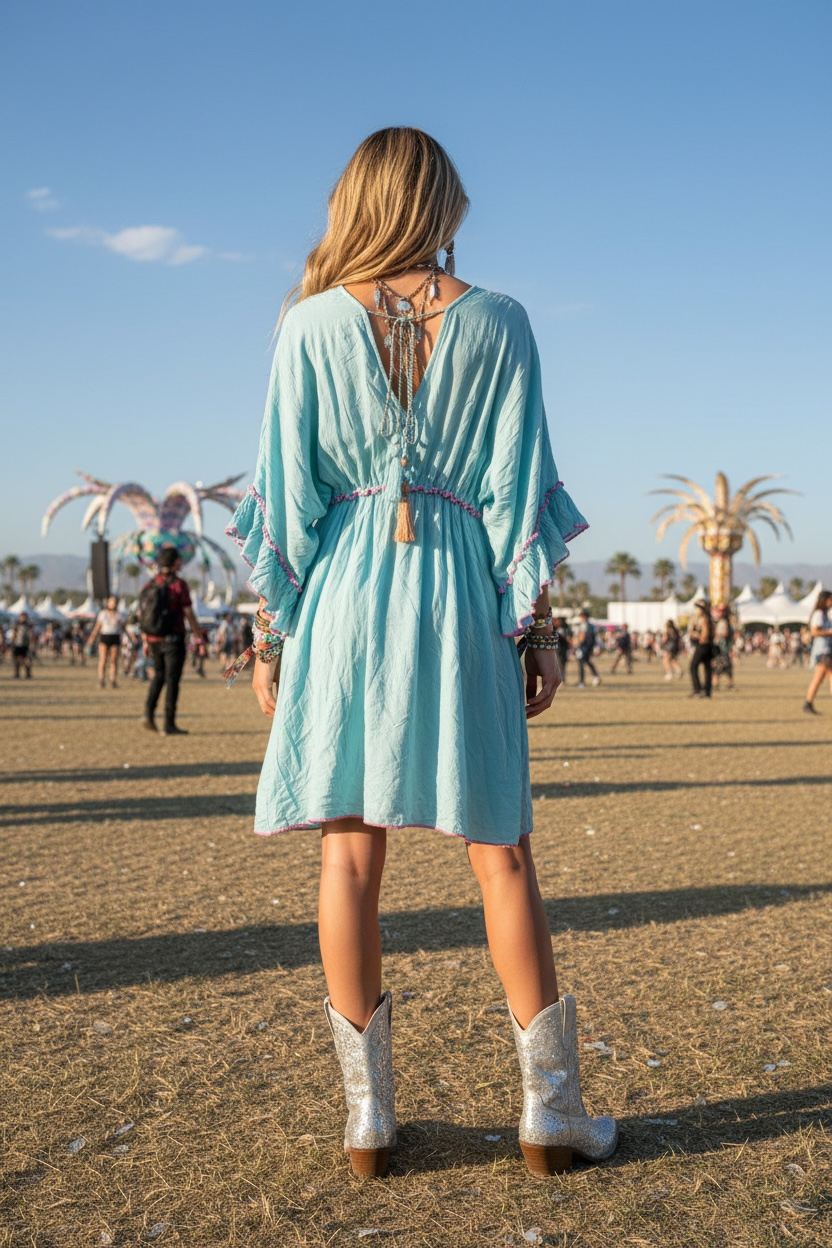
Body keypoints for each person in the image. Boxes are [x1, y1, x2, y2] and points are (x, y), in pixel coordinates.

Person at [227, 128, 616, 1179]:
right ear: (443, 203)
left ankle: (368, 1123)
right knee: (503, 852)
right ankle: (552, 1115)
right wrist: (534, 627)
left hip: (344, 595)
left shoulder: (307, 325)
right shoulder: (500, 322)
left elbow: (284, 496)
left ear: (354, 200)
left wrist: (271, 635)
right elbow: (514, 485)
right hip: (458, 589)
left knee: (348, 856)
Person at [139, 548, 208, 734]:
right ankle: (169, 723)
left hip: (153, 638)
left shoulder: (150, 584)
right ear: (176, 563)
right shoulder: (178, 585)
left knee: (158, 676)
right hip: (173, 639)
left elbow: (142, 614)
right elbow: (188, 612)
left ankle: (148, 713)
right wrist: (198, 636)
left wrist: (145, 639)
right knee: (172, 680)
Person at [802, 589, 832, 714]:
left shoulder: (824, 614)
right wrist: (829, 632)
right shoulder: (819, 614)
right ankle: (808, 703)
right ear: (824, 600)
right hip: (822, 650)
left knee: (821, 678)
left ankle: (808, 703)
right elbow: (814, 632)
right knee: (821, 677)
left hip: (826, 649)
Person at [87, 595, 124, 689]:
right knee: (103, 660)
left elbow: (124, 628)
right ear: (108, 603)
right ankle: (101, 680)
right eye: (111, 601)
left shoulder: (119, 615)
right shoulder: (103, 614)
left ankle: (113, 680)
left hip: (115, 637)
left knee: (114, 660)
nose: (113, 603)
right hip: (105, 637)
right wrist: (92, 638)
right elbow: (97, 627)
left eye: (115, 602)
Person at [688, 599, 714, 698]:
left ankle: (697, 689)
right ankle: (707, 691)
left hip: (703, 646)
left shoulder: (703, 619)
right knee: (707, 668)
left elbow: (704, 635)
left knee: (693, 666)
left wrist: (695, 634)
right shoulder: (707, 618)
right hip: (708, 646)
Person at [575, 608, 601, 688]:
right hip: (589, 647)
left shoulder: (584, 625)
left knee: (581, 664)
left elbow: (582, 637)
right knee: (588, 662)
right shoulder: (592, 626)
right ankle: (595, 676)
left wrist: (577, 644)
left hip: (583, 647)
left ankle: (581, 681)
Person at [712, 605, 735, 691]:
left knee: (719, 668)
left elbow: (724, 633)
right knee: (724, 668)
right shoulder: (725, 622)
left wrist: (717, 635)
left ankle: (717, 685)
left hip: (721, 648)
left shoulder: (722, 622)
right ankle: (723, 685)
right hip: (722, 649)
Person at [11, 612, 34, 678]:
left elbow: (31, 635)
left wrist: (32, 643)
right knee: (17, 661)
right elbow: (14, 634)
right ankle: (17, 674)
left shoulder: (28, 625)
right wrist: (12, 643)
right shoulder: (16, 625)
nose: (23, 619)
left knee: (27, 661)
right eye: (22, 617)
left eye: (25, 617)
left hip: (25, 645)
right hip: (18, 644)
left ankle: (28, 674)